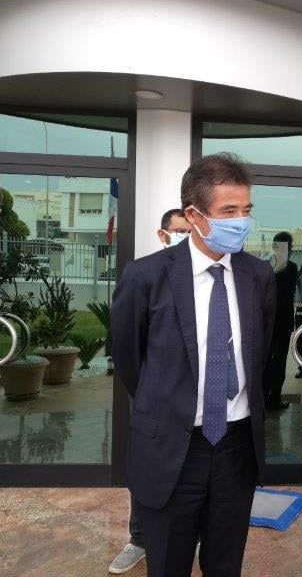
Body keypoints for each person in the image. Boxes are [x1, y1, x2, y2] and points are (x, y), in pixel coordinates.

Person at [111, 153, 276, 577]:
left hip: (236, 447)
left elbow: (259, 353)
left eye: (246, 210)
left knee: (225, 564)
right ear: (194, 215)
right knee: (168, 564)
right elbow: (129, 360)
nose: (240, 221)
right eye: (228, 212)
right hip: (172, 448)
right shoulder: (146, 276)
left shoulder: (258, 276)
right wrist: (166, 402)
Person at [108, 208, 193, 574]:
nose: (187, 237)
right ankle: (139, 539)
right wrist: (146, 391)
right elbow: (126, 344)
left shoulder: (206, 275)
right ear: (163, 235)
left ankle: (190, 535)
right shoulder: (144, 274)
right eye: (180, 231)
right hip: (152, 396)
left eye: (191, 230)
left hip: (194, 399)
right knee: (149, 471)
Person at [263, 231, 298, 410]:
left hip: (274, 321)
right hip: (277, 321)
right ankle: (272, 398)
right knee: (276, 360)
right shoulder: (288, 267)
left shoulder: (268, 266)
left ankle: (268, 398)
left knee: (270, 360)